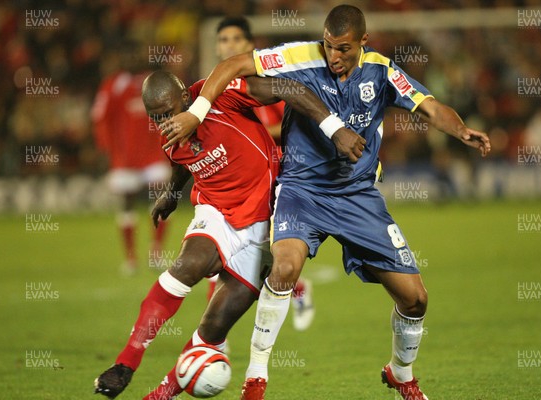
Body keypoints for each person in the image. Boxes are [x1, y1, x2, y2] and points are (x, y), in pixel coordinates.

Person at [161, 4, 491, 400]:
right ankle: (256, 379)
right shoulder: (301, 56)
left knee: (415, 298)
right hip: (302, 190)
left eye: (344, 49)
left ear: (363, 43)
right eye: (329, 46)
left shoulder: (382, 71)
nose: (334, 56)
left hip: (358, 196)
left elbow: (430, 107)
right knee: (284, 268)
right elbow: (233, 65)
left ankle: (401, 373)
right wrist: (198, 112)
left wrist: (461, 131)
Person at [93, 70, 356, 400]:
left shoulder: (223, 93)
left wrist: (334, 129)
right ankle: (125, 365)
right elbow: (182, 161)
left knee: (215, 327)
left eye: (168, 111)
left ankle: (161, 395)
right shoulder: (169, 134)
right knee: (189, 264)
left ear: (187, 99)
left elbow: (288, 88)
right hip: (215, 211)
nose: (163, 122)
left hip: (267, 216)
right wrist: (171, 194)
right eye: (155, 116)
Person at [214, 15, 315, 331]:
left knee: (253, 252)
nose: (228, 46)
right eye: (223, 40)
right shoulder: (217, 83)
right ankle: (214, 337)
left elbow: (289, 125)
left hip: (276, 174)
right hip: (237, 178)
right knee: (229, 251)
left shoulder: (264, 80)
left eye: (235, 40)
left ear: (249, 45)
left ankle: (214, 337)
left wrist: (248, 135)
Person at [91, 40, 170, 274]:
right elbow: (100, 117)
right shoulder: (114, 85)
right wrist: (106, 147)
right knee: (127, 204)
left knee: (162, 202)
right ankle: (131, 258)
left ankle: (156, 253)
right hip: (125, 158)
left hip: (154, 155)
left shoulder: (155, 82)